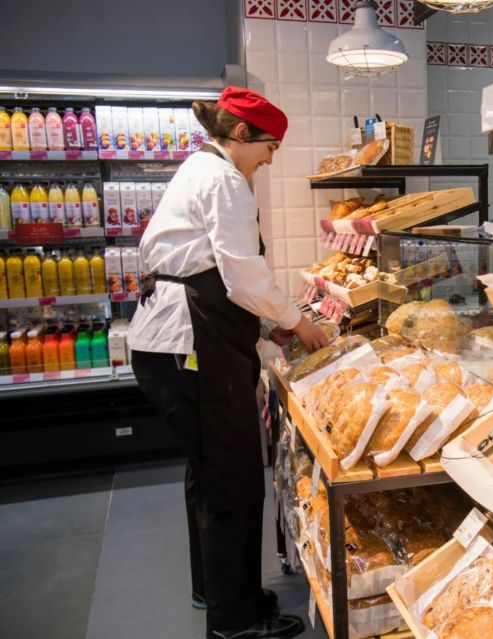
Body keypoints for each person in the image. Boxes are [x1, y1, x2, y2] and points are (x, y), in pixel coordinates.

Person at [128, 86, 328, 639]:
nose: (269, 159)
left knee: (211, 474)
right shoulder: (223, 180)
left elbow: (217, 275)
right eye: (269, 147)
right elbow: (242, 276)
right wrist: (298, 322)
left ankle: (216, 590)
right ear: (240, 135)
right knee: (234, 478)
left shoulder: (202, 169)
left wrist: (271, 325)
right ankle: (235, 622)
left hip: (171, 345)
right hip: (193, 347)